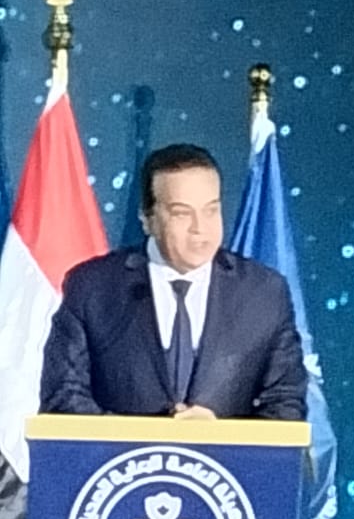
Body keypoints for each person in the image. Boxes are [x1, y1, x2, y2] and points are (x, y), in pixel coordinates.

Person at [40, 143, 307, 420]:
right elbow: (63, 398)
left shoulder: (264, 293)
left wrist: (220, 436)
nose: (200, 228)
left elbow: (285, 408)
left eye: (211, 210)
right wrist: (145, 437)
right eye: (182, 213)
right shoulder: (92, 288)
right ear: (148, 219)